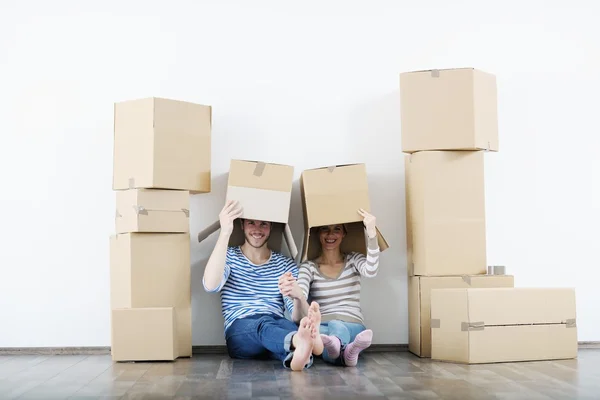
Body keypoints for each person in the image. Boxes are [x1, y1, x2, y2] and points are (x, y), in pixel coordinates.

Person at [202, 199, 320, 371]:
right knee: (264, 324)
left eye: (263, 224)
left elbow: (296, 317)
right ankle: (299, 341)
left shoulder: (285, 264)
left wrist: (299, 296)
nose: (257, 229)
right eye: (251, 222)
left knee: (288, 327)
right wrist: (225, 232)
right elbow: (210, 286)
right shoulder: (228, 256)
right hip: (241, 330)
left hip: (277, 326)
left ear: (271, 226)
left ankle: (297, 356)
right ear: (242, 225)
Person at [280, 208, 380, 367]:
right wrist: (296, 293)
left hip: (352, 322)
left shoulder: (353, 259)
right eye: (325, 229)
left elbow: (371, 270)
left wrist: (372, 234)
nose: (330, 234)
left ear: (344, 234)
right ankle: (348, 354)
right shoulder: (309, 267)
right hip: (323, 325)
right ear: (318, 233)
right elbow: (302, 295)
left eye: (337, 229)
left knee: (335, 328)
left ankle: (337, 344)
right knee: (319, 337)